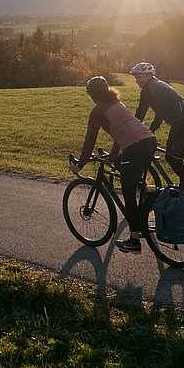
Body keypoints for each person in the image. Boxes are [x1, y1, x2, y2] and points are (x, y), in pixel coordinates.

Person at [70, 76, 157, 254]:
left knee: (128, 191)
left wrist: (80, 165)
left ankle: (134, 240)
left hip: (135, 147)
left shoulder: (98, 111)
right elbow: (120, 132)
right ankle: (147, 193)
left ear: (92, 95)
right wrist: (113, 155)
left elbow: (89, 141)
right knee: (120, 164)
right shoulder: (118, 104)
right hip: (149, 140)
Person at [129, 62, 184, 190]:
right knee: (174, 157)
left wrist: (132, 131)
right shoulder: (159, 85)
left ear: (149, 75)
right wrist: (151, 129)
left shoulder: (148, 90)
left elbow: (140, 113)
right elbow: (160, 113)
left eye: (139, 77)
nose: (137, 81)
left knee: (172, 157)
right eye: (136, 78)